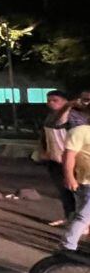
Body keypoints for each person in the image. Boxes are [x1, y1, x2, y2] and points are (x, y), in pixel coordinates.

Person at [42, 90, 87, 226]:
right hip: (54, 159)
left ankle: (81, 221)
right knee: (65, 192)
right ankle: (71, 217)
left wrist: (68, 106)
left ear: (65, 101)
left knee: (79, 193)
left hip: (72, 161)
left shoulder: (75, 117)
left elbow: (60, 122)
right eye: (49, 100)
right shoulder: (51, 116)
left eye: (55, 100)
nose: (50, 103)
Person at [60, 117, 90, 251]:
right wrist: (69, 176)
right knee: (84, 216)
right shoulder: (80, 131)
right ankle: (67, 246)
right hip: (87, 182)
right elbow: (68, 156)